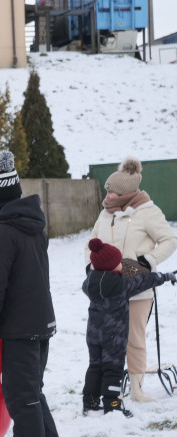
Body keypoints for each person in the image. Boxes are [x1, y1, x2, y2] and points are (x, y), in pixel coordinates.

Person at [0, 150, 66, 437]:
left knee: (21, 398)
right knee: (32, 393)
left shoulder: (3, 236)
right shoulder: (34, 228)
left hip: (19, 330)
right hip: (40, 325)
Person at [87, 157, 177, 402]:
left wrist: (148, 261)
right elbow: (92, 242)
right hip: (109, 288)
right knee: (107, 338)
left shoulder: (148, 212)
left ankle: (137, 389)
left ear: (126, 192)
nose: (108, 194)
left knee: (133, 337)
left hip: (138, 287)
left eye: (112, 190)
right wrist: (90, 266)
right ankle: (111, 385)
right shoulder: (106, 213)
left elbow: (170, 240)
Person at [82, 238, 176, 416]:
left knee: (95, 365)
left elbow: (95, 281)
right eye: (118, 263)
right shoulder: (121, 285)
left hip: (93, 334)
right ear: (111, 266)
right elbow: (144, 280)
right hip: (114, 336)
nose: (121, 265)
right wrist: (164, 276)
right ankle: (113, 405)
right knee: (113, 368)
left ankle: (90, 402)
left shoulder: (89, 283)